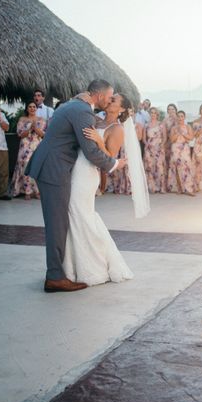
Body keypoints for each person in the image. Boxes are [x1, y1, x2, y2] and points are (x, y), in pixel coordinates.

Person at [25, 79, 128, 293]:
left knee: (63, 221)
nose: (109, 101)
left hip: (57, 167)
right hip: (54, 169)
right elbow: (91, 151)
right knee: (57, 223)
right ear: (99, 96)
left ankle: (61, 271)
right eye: (109, 97)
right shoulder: (82, 111)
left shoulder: (75, 105)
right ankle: (54, 277)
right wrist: (115, 163)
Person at [59, 91, 140, 286]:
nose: (109, 101)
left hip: (88, 173)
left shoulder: (117, 129)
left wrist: (98, 139)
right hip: (76, 166)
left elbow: (110, 157)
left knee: (79, 212)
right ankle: (72, 265)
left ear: (121, 109)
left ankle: (93, 266)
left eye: (114, 100)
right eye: (110, 98)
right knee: (75, 213)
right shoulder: (95, 119)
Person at [10, 101, 46, 199]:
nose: (32, 108)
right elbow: (20, 134)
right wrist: (30, 129)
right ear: (27, 108)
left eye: (34, 107)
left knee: (37, 166)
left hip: (36, 145)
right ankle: (27, 191)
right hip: (25, 146)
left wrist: (36, 128)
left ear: (36, 108)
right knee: (25, 165)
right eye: (30, 107)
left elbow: (43, 134)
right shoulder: (22, 119)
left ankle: (37, 191)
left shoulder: (41, 120)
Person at [168, 110, 195, 196]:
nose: (180, 118)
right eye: (178, 116)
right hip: (176, 148)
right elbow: (172, 140)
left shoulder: (188, 127)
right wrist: (177, 133)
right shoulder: (173, 128)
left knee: (187, 167)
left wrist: (183, 134)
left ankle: (188, 188)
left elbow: (191, 137)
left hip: (185, 148)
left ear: (184, 117)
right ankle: (179, 188)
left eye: (181, 116)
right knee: (177, 167)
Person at [143, 107, 167, 193]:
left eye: (154, 113)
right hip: (149, 149)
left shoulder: (161, 124)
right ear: (149, 114)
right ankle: (152, 187)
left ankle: (161, 187)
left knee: (159, 167)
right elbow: (144, 139)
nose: (153, 114)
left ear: (157, 114)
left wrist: (161, 146)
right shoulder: (146, 125)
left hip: (159, 148)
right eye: (151, 113)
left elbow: (164, 138)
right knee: (150, 167)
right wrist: (147, 145)